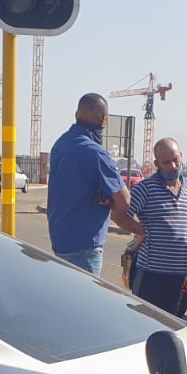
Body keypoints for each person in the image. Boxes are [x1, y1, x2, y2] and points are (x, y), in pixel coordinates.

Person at [47, 93, 128, 275]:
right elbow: (124, 202)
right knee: (83, 302)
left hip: (60, 240)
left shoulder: (60, 145)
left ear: (77, 115)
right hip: (85, 247)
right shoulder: (96, 153)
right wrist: (111, 199)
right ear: (103, 120)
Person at [113, 137, 187, 314]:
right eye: (166, 162)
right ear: (157, 163)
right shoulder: (146, 188)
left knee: (173, 325)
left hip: (179, 274)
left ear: (181, 156)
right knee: (146, 322)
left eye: (175, 160)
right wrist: (142, 231)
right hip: (151, 273)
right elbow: (119, 216)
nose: (172, 166)